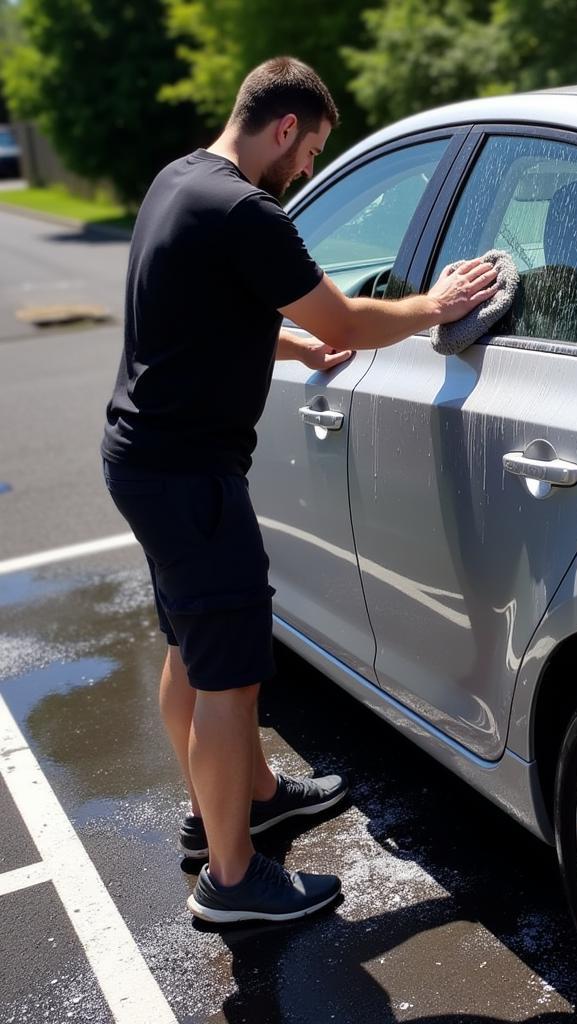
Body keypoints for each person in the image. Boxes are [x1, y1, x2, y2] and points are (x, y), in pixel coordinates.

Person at [101, 56, 497, 925]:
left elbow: (203, 321)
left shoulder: (183, 182)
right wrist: (434, 306)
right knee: (230, 677)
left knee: (191, 650)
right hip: (189, 477)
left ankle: (245, 805)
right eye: (311, 150)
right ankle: (234, 880)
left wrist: (293, 349)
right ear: (284, 128)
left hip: (148, 462)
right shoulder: (246, 211)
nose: (309, 170)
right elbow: (349, 319)